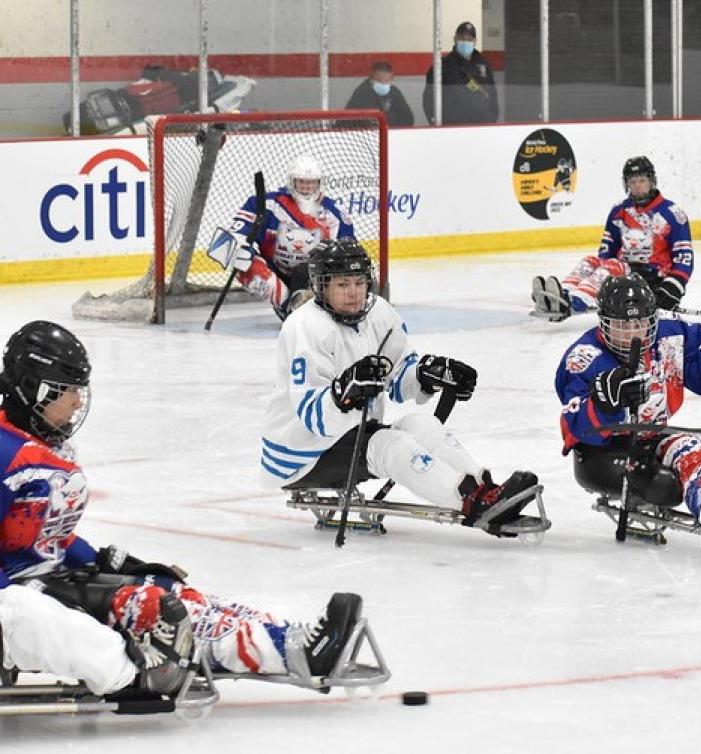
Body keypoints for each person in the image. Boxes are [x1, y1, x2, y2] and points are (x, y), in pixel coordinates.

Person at [0, 321, 367, 698]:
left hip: (47, 578)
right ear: (33, 390)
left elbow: (46, 537)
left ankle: (291, 637)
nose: (78, 401)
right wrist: (34, 601)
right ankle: (296, 655)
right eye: (68, 391)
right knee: (154, 608)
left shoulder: (33, 444)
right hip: (23, 593)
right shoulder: (5, 453)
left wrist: (112, 561)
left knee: (171, 591)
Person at [261, 238, 539, 530]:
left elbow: (398, 375)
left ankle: (486, 491)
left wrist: (427, 374)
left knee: (422, 426)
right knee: (390, 445)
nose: (354, 293)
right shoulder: (305, 326)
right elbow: (313, 416)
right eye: (342, 285)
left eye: (359, 282)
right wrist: (345, 392)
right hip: (301, 452)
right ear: (321, 287)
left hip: (352, 434)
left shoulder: (378, 312)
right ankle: (470, 503)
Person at [555, 275, 701, 540]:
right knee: (659, 484)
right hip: (602, 452)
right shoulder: (585, 358)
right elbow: (572, 429)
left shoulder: (672, 338)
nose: (632, 333)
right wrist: (603, 405)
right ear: (604, 323)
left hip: (652, 437)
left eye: (639, 323)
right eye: (622, 325)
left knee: (691, 449)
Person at [531, 156, 693, 321]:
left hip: (655, 278)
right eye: (632, 182)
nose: (637, 186)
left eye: (642, 180)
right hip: (624, 272)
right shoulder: (619, 210)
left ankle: (574, 302)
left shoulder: (672, 214)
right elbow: (606, 251)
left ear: (652, 181)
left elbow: (684, 258)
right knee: (590, 261)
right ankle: (560, 294)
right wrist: (603, 272)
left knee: (614, 266)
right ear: (626, 184)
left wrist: (673, 287)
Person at [215, 154, 357, 321]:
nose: (306, 187)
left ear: (319, 183)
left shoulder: (334, 213)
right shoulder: (268, 204)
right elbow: (233, 235)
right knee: (243, 262)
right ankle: (286, 306)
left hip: (315, 276)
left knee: (309, 271)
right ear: (292, 182)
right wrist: (241, 248)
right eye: (301, 181)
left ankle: (316, 305)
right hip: (275, 273)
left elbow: (348, 250)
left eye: (311, 182)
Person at [422, 21, 499, 125]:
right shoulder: (442, 66)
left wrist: (491, 119)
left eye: (469, 39)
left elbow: (492, 94)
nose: (465, 42)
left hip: (480, 127)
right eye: (462, 39)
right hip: (451, 128)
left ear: (475, 41)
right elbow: (429, 97)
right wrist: (436, 123)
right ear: (455, 39)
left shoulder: (483, 65)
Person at [344, 61, 415, 127]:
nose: (384, 83)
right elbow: (371, 122)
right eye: (380, 80)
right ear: (371, 79)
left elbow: (408, 117)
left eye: (387, 81)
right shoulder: (363, 93)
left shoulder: (394, 91)